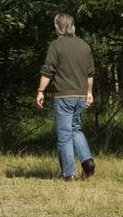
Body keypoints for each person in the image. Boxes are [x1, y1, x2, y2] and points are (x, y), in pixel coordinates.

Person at [35, 13, 96, 181]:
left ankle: (68, 174)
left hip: (64, 96)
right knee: (75, 128)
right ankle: (87, 160)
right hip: (81, 95)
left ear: (57, 27)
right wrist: (89, 92)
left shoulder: (56, 45)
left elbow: (48, 70)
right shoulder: (84, 45)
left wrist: (41, 91)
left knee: (64, 134)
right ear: (73, 25)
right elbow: (90, 73)